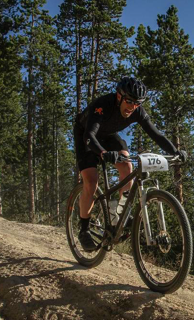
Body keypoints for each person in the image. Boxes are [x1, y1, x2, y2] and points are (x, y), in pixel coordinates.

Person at [73, 77, 186, 251]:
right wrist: (102, 153)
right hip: (86, 136)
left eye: (138, 103)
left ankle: (120, 211)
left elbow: (157, 135)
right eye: (130, 101)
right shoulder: (103, 105)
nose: (133, 107)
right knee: (91, 181)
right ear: (119, 97)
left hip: (108, 136)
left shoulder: (137, 111)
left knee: (127, 165)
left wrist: (175, 152)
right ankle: (84, 230)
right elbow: (89, 136)